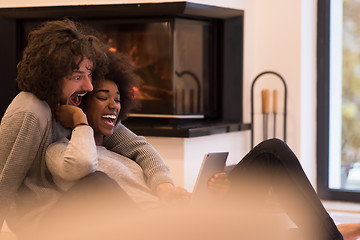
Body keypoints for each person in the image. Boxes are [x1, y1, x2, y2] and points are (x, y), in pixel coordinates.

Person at [45, 51, 360, 240]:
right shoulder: (64, 153)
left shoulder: (119, 148)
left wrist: (193, 194)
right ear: (81, 102)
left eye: (117, 100)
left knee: (269, 152)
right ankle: (334, 233)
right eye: (102, 98)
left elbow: (145, 154)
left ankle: (329, 233)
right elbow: (84, 166)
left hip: (179, 217)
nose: (113, 106)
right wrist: (80, 123)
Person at [0, 19, 180, 238]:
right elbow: (3, 184)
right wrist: (80, 122)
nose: (89, 86)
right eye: (77, 77)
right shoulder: (29, 113)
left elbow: (137, 146)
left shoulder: (74, 101)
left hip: (75, 208)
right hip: (43, 224)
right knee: (97, 182)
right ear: (51, 77)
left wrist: (164, 186)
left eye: (89, 75)